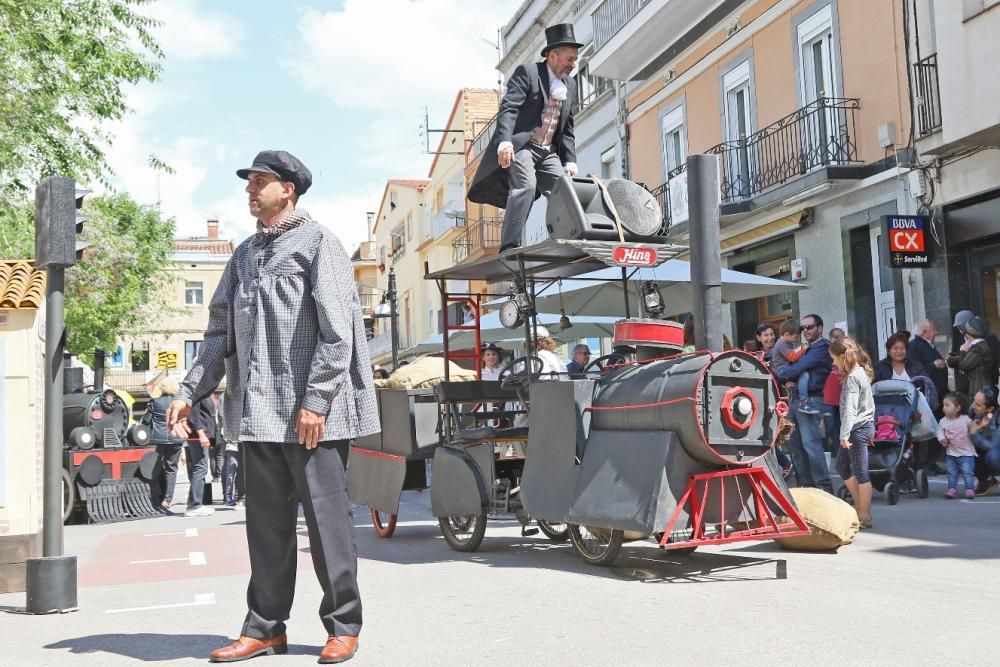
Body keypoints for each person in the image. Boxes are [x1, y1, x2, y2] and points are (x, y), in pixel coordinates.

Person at [167, 150, 379, 664]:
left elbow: (338, 334)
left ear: (288, 188)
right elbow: (219, 334)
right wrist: (189, 390)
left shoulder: (319, 244)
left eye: (258, 181)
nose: (249, 190)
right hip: (258, 415)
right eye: (248, 182)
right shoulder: (242, 255)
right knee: (265, 529)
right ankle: (265, 628)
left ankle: (343, 625)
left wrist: (317, 399)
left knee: (327, 526)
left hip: (314, 417)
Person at [467, 23, 581, 252]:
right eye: (569, 59)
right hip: (523, 145)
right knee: (526, 187)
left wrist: (570, 160)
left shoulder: (571, 84)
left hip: (548, 151)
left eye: (575, 59)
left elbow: (566, 126)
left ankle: (570, 238)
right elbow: (509, 108)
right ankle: (509, 245)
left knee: (565, 191)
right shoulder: (528, 73)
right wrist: (505, 142)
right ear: (552, 55)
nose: (573, 64)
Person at [777, 314, 833, 492]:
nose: (806, 331)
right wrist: (786, 375)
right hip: (795, 399)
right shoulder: (807, 348)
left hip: (811, 399)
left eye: (810, 327)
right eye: (803, 328)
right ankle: (806, 489)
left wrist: (783, 375)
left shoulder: (822, 347)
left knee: (811, 445)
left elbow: (797, 368)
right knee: (795, 446)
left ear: (820, 328)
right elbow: (793, 367)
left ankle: (824, 488)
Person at [830, 337, 876, 528]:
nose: (833, 363)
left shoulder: (852, 378)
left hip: (856, 429)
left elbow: (850, 409)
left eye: (834, 359)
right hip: (862, 427)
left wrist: (844, 434)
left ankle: (864, 515)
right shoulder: (860, 372)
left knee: (861, 472)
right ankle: (858, 508)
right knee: (841, 466)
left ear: (842, 357)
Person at [146, 377, 184, 510]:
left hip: (158, 439)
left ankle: (154, 496)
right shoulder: (179, 403)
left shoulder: (154, 402)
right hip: (176, 438)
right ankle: (167, 499)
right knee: (171, 468)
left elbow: (146, 421)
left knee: (154, 467)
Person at [772, 319, 818, 415]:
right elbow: (792, 357)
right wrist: (803, 349)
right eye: (796, 337)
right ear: (787, 334)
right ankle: (803, 401)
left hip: (786, 371)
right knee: (804, 375)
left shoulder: (786, 342)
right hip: (783, 371)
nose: (797, 339)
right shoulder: (782, 343)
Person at [936, 392, 975, 499]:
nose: (944, 408)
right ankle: (952, 489)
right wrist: (942, 439)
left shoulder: (966, 419)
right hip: (951, 453)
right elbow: (939, 432)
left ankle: (969, 489)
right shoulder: (942, 421)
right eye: (944, 405)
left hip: (966, 453)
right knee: (951, 473)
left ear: (958, 408)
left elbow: (974, 428)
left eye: (948, 405)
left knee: (967, 473)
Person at [183, 394, 216, 517]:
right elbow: (194, 416)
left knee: (200, 467)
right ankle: (194, 505)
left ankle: (194, 504)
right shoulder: (199, 393)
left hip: (199, 435)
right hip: (197, 436)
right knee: (200, 467)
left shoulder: (204, 393)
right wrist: (202, 435)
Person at [909, 319, 947, 406]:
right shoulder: (914, 347)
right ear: (924, 332)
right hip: (928, 398)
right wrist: (934, 365)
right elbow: (915, 372)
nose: (936, 332)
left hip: (937, 395)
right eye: (933, 330)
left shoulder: (926, 345)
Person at [969, 388, 1000, 495]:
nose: (973, 406)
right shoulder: (972, 412)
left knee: (992, 456)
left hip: (995, 451)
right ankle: (986, 480)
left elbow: (992, 447)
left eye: (978, 404)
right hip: (985, 448)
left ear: (990, 408)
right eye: (974, 401)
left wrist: (974, 434)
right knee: (964, 452)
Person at [958, 316, 997, 397]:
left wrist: (963, 351)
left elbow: (963, 366)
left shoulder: (978, 348)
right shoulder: (983, 344)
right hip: (984, 383)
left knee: (978, 408)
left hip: (979, 386)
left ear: (969, 335)